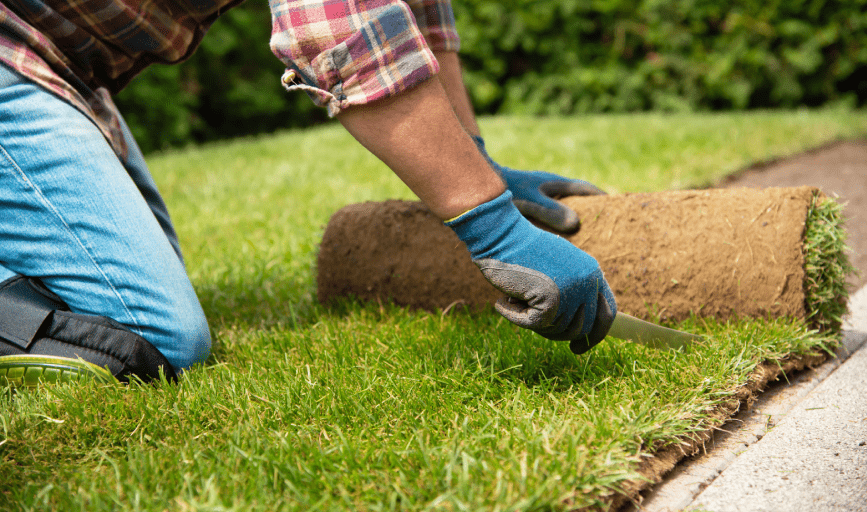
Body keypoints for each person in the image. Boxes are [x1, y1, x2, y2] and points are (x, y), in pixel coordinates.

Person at [0, 0, 616, 385]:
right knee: (148, 334)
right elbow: (342, 29)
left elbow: (418, 12)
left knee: (89, 299)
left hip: (56, 67)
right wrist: (496, 230)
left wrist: (477, 163)